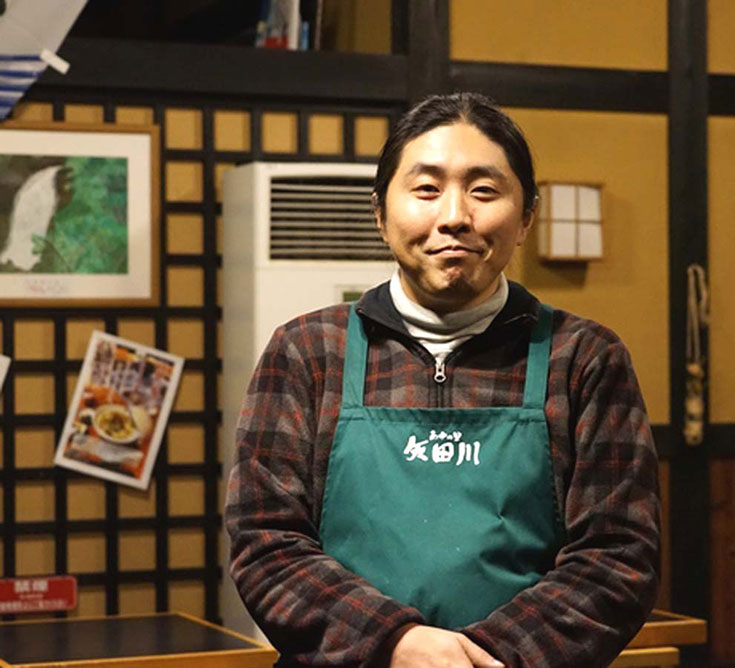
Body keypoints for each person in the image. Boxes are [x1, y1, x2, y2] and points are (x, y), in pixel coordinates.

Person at [225, 92, 660, 668]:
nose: (454, 215)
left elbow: (618, 556)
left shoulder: (582, 357)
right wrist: (394, 643)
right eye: (426, 189)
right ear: (380, 213)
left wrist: (484, 658)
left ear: (526, 215)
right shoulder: (307, 351)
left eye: (483, 191)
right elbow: (266, 544)